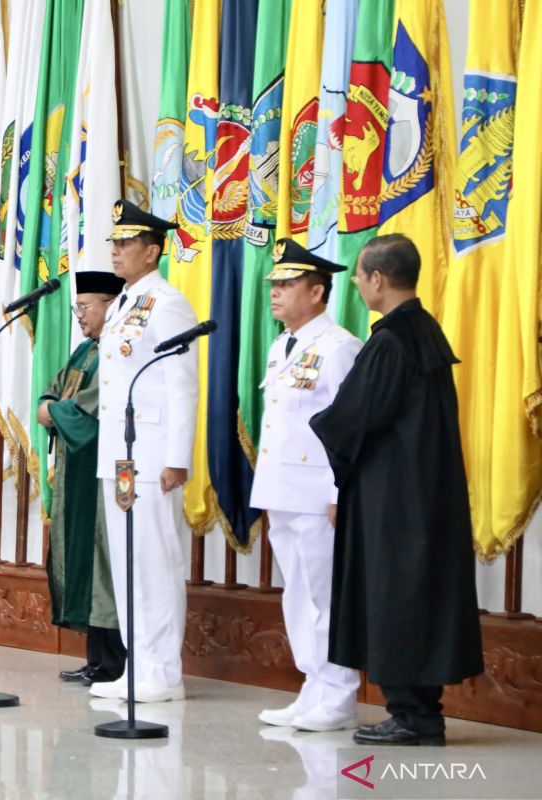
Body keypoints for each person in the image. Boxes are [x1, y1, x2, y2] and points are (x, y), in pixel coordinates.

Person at [309, 234, 483, 746]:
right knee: (415, 595)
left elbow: (354, 417)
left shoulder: (390, 341)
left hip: (393, 498)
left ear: (378, 279)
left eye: (361, 277)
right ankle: (418, 710)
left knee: (398, 596)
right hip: (423, 492)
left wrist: (321, 425)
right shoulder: (423, 330)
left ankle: (412, 716)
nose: (360, 286)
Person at [249, 239, 361, 732]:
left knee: (325, 596)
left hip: (318, 495)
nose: (275, 292)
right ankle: (312, 688)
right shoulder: (282, 346)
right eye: (274, 283)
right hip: (281, 490)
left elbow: (351, 427)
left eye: (287, 284)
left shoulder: (339, 348)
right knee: (296, 595)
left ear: (317, 292)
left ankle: (338, 695)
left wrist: (340, 493)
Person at [90, 199, 198, 704]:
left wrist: (177, 456)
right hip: (120, 453)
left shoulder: (168, 302)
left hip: (154, 454)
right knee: (129, 562)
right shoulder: (121, 305)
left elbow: (181, 383)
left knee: (156, 560)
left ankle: (164, 671)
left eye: (126, 243)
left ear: (153, 251)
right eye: (114, 242)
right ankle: (138, 666)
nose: (116, 250)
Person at [37, 270, 128, 687]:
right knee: (81, 562)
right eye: (77, 307)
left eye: (86, 306)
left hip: (101, 472)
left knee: (102, 566)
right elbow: (52, 393)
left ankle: (114, 664)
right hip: (76, 471)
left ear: (110, 304)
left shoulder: (117, 352)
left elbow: (85, 411)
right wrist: (53, 406)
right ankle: (95, 660)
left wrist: (55, 411)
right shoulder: (84, 352)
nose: (80, 315)